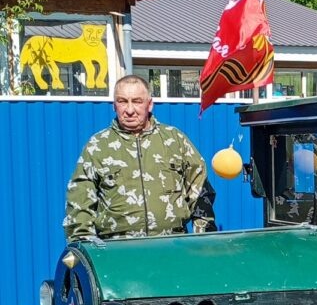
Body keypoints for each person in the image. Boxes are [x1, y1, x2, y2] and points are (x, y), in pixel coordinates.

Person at [63, 74, 216, 241]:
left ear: (149, 105)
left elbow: (201, 189)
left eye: (137, 101)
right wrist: (85, 248)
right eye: (122, 101)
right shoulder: (98, 146)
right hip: (118, 250)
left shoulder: (174, 140)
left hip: (173, 246)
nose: (129, 110)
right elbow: (79, 203)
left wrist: (203, 237)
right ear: (114, 105)